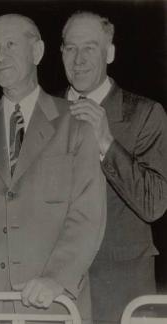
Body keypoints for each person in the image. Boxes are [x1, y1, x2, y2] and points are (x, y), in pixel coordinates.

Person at [0, 14, 106, 323]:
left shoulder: (76, 125)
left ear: (38, 52)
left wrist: (57, 278)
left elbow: (88, 214)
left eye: (11, 44)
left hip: (53, 304)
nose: (0, 56)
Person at [60, 11, 167, 323]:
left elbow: (154, 204)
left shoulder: (145, 114)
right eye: (70, 48)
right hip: (54, 285)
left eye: (90, 48)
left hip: (121, 287)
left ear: (110, 53)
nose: (78, 59)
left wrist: (106, 143)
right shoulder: (42, 111)